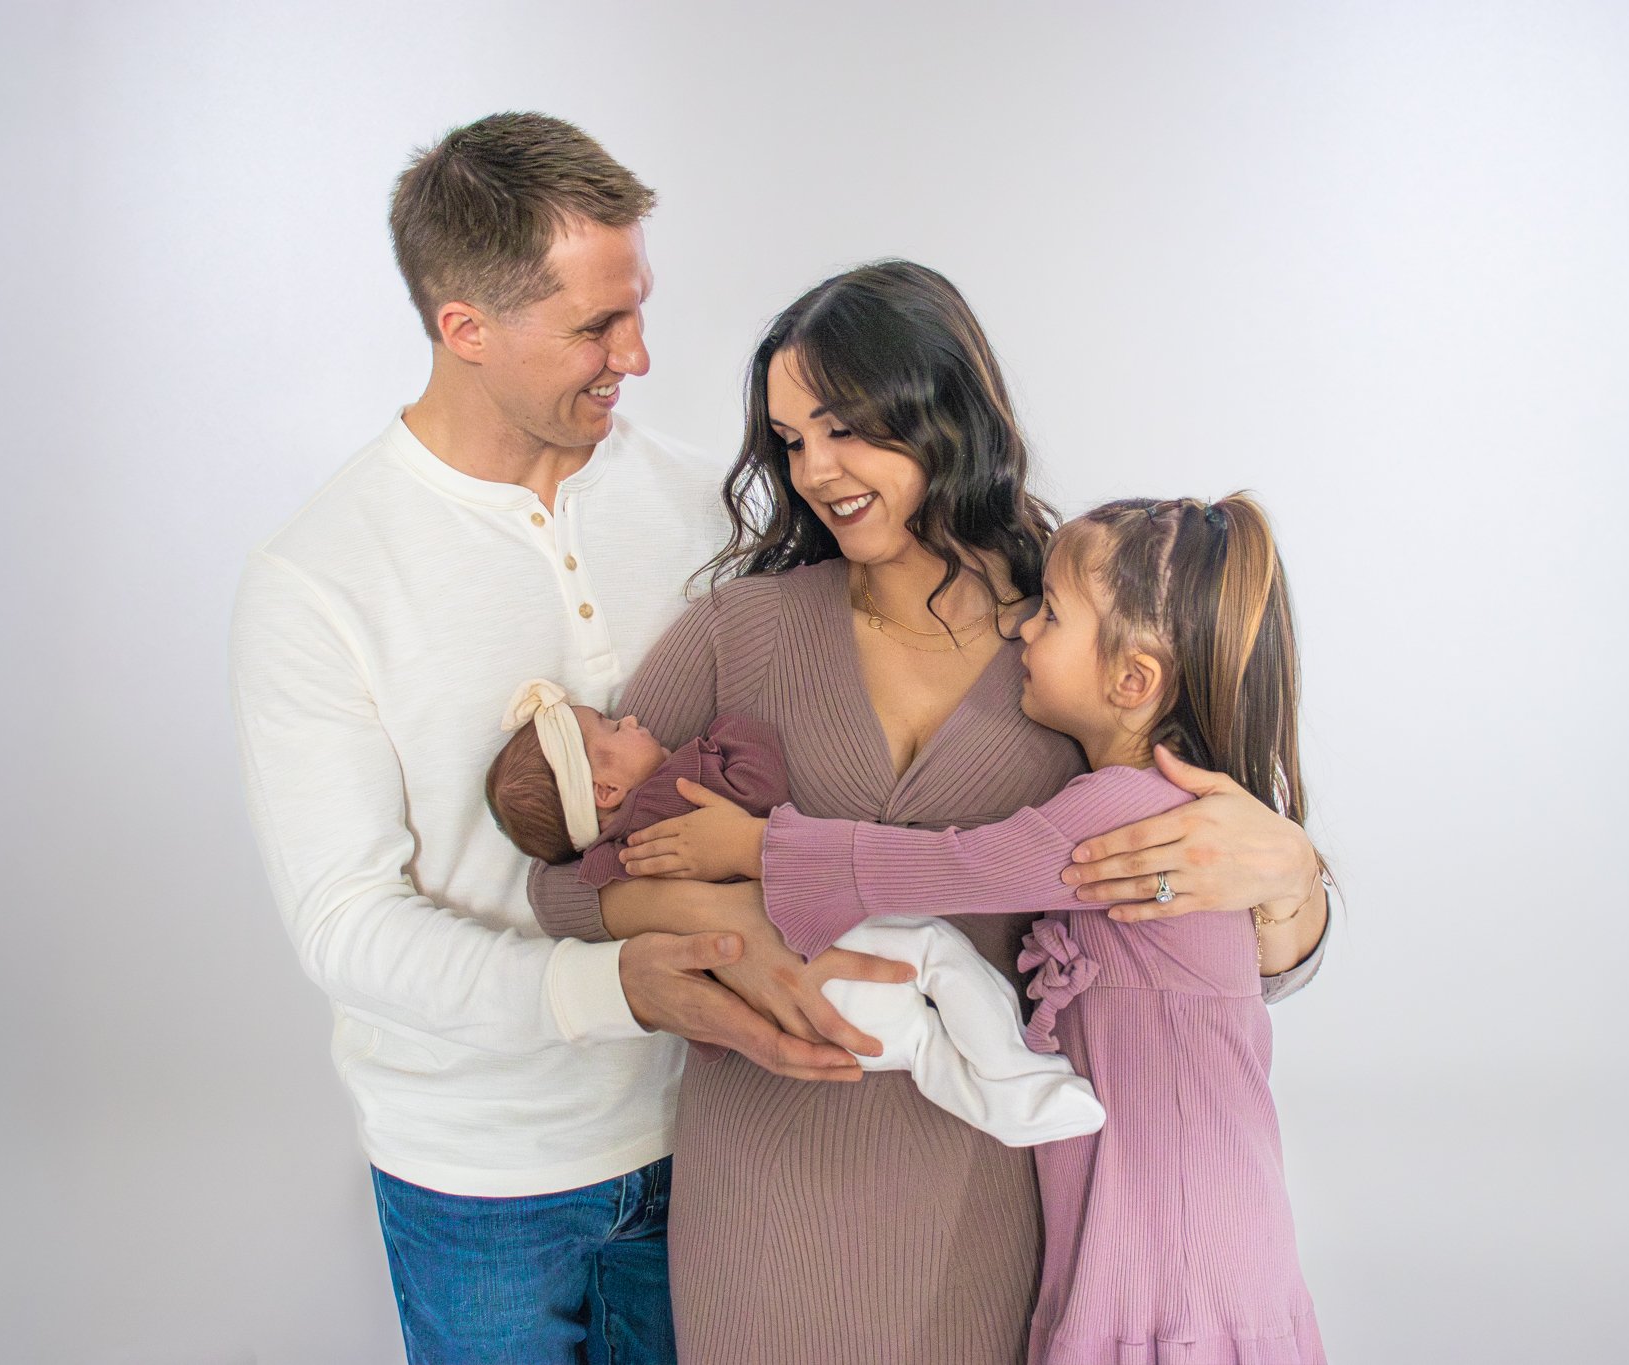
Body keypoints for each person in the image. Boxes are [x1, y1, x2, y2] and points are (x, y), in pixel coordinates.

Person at [527, 261, 1332, 1364]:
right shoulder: (737, 633)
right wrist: (725, 923)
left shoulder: (1080, 652)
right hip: (761, 1208)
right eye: (789, 441)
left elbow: (1232, 953)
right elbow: (562, 884)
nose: (815, 470)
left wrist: (1291, 879)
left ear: (943, 410)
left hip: (1002, 1219)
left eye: (843, 427)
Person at [227, 112, 902, 1365]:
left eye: (636, 310)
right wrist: (613, 986)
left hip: (729, 1134)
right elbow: (346, 926)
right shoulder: (317, 581)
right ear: (465, 328)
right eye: (597, 326)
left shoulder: (708, 507)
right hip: (483, 1183)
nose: (636, 356)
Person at [632, 494, 1330, 1363]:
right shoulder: (1142, 799)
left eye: (1052, 615)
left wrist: (756, 846)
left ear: (1133, 680)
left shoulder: (1127, 809)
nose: (1024, 628)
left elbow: (957, 865)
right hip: (1142, 1215)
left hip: (1175, 1230)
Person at [486, 680, 1106, 1147]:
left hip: (780, 1009)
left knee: (919, 1043)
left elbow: (567, 892)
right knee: (934, 951)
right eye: (610, 728)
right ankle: (1015, 1074)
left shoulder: (605, 861)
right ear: (604, 790)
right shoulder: (678, 787)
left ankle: (1012, 1105)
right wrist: (728, 735)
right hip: (811, 951)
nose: (630, 717)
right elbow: (762, 781)